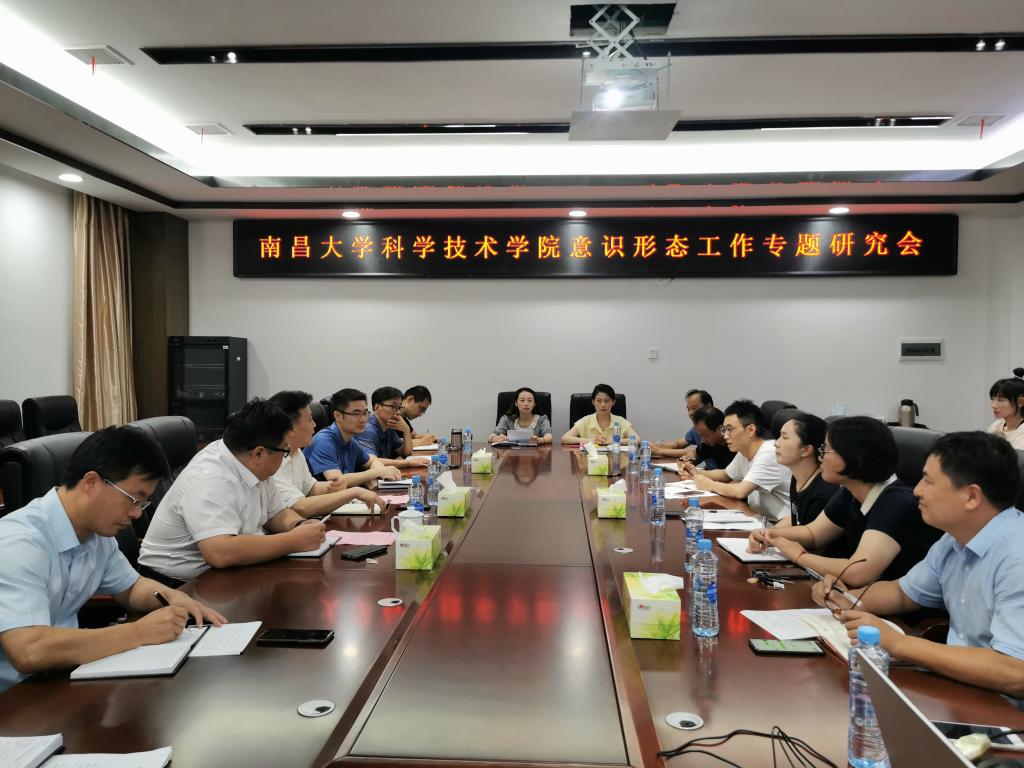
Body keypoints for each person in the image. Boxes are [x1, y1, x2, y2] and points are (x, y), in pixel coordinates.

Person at [0, 426, 226, 693]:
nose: (136, 514)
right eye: (133, 499)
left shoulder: (97, 534)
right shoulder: (19, 543)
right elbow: (29, 650)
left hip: (58, 679)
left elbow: (131, 588)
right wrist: (139, 632)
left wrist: (175, 598)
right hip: (14, 699)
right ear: (91, 482)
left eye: (142, 503)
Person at [812, 432, 1024, 704]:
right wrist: (845, 599)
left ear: (971, 496)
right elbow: (902, 593)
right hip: (961, 692)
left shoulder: (1016, 555)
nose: (917, 491)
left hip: (1005, 713)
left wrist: (898, 644)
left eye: (928, 481)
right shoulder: (953, 540)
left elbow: (1015, 671)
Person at [138, 399, 328, 586]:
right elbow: (220, 552)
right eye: (284, 449)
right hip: (177, 584)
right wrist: (293, 540)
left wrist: (299, 525)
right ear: (259, 453)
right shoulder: (210, 479)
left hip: (226, 572)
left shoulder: (251, 461)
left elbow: (276, 513)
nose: (285, 455)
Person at [750, 416, 940, 586]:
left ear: (853, 457)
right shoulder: (851, 490)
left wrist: (800, 557)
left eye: (826, 450)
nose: (820, 457)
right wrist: (770, 535)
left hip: (895, 606)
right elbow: (813, 533)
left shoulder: (896, 502)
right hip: (860, 594)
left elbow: (858, 572)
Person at [269, 390, 388, 517]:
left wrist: (336, 486)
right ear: (291, 427)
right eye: (309, 420)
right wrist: (354, 492)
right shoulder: (272, 461)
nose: (314, 424)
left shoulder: (296, 452)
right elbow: (301, 507)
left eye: (365, 413)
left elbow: (311, 488)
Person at [679, 399, 791, 521]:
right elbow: (725, 474)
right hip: (756, 516)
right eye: (724, 430)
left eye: (730, 429)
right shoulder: (745, 450)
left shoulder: (769, 453)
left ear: (750, 430)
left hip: (778, 525)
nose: (725, 435)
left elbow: (740, 491)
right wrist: (695, 471)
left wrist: (709, 485)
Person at [304, 389, 403, 486]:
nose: (363, 419)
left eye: (365, 413)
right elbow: (337, 481)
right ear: (338, 416)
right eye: (356, 414)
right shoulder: (323, 441)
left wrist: (382, 472)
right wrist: (378, 472)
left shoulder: (350, 440)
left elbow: (372, 461)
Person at [772, 412, 840, 530]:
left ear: (806, 450)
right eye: (779, 436)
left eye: (785, 437)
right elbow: (796, 516)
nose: (776, 443)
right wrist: (769, 532)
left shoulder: (823, 494)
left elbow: (813, 537)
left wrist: (772, 536)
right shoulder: (798, 477)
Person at [355, 387, 431, 469]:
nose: (398, 412)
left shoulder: (389, 428)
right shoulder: (367, 429)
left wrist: (406, 430)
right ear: (377, 408)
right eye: (394, 407)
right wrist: (408, 463)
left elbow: (406, 453)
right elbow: (371, 461)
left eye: (399, 407)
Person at [560, 384, 637, 445]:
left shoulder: (620, 421)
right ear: (593, 402)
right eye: (599, 401)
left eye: (606, 401)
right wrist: (590, 441)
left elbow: (637, 439)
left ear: (613, 402)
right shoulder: (586, 420)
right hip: (590, 459)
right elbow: (565, 438)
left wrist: (612, 441)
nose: (603, 405)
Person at [651, 389, 713, 459]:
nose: (690, 413)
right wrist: (653, 446)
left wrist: (659, 451)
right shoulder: (695, 429)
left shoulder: (716, 427)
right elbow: (678, 444)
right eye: (688, 409)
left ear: (708, 406)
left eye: (694, 408)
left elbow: (696, 452)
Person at [489, 387, 553, 444]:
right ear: (516, 403)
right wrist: (495, 439)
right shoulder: (507, 419)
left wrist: (540, 440)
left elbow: (549, 436)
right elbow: (493, 435)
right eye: (522, 400)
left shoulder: (542, 419)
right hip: (510, 453)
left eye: (530, 401)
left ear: (534, 403)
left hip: (536, 453)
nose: (526, 404)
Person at [684, 407, 734, 471]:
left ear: (720, 429)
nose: (702, 440)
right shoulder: (710, 444)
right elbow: (692, 453)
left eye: (703, 434)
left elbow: (727, 475)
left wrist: (694, 471)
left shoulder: (735, 446)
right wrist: (689, 462)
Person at [987, 368, 1024, 450]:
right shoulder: (995, 426)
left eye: (1000, 400)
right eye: (993, 399)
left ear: (1021, 402)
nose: (994, 405)